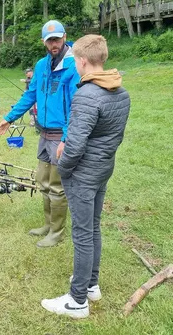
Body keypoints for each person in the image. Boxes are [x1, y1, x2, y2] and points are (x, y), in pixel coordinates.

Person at [41, 34, 130, 318]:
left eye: (74, 62)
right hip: (103, 170)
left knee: (82, 234)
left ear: (81, 61)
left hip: (83, 176)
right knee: (93, 228)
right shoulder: (120, 92)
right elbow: (112, 137)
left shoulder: (87, 94)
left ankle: (77, 301)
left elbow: (75, 146)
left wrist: (62, 167)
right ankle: (91, 285)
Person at [0, 20, 80, 248]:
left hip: (60, 136)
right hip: (43, 133)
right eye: (49, 40)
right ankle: (47, 223)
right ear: (44, 42)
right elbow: (30, 95)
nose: (54, 44)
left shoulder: (74, 67)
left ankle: (57, 232)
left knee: (56, 185)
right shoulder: (41, 65)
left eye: (57, 39)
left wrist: (66, 138)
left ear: (64, 37)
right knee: (42, 182)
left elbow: (76, 108)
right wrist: (9, 118)